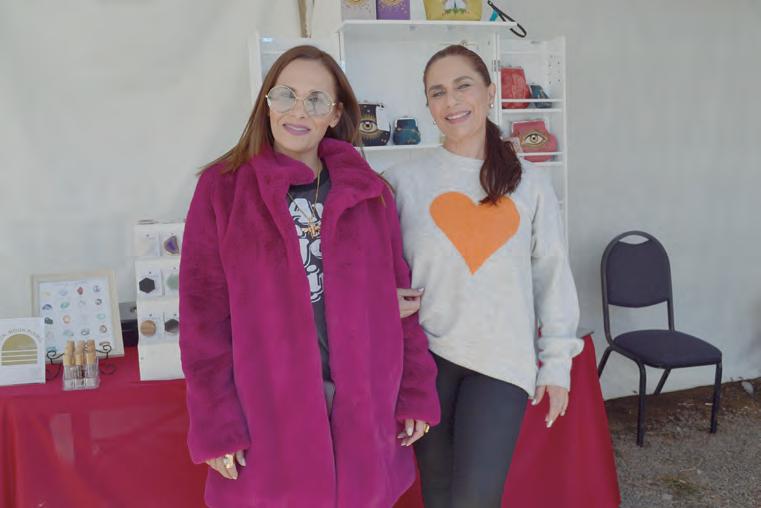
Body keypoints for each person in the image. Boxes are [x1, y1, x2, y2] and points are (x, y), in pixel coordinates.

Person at [179, 45, 439, 508]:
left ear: (335, 113)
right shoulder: (223, 188)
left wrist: (415, 393)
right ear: (267, 102)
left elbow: (403, 305)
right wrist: (216, 423)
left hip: (363, 407)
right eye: (286, 95)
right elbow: (202, 320)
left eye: (316, 100)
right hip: (269, 411)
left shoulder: (369, 193)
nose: (299, 111)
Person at [383, 44, 584, 508]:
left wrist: (557, 363)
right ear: (427, 105)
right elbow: (374, 269)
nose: (451, 101)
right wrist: (383, 298)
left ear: (490, 92)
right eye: (437, 92)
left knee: (475, 498)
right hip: (426, 361)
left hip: (501, 362)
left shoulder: (530, 184)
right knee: (437, 495)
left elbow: (552, 276)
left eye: (463, 86)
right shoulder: (401, 182)